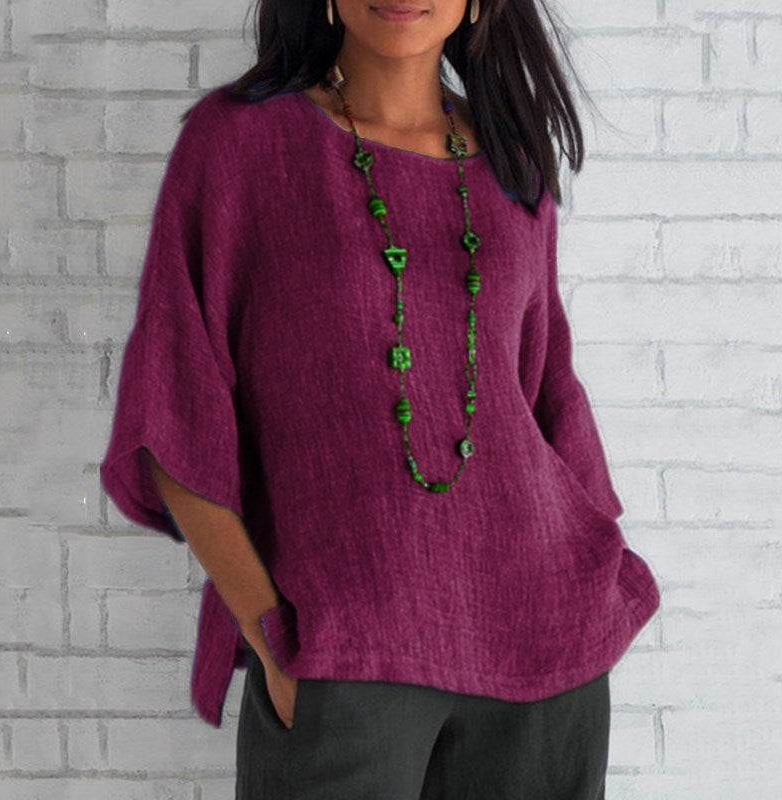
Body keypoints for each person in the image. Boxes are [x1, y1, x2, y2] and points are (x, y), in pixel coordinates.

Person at [99, 0, 661, 797]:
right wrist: (272, 640)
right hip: (345, 655)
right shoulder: (241, 145)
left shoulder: (512, 161)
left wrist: (594, 565)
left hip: (543, 647)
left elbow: (541, 390)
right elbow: (172, 409)